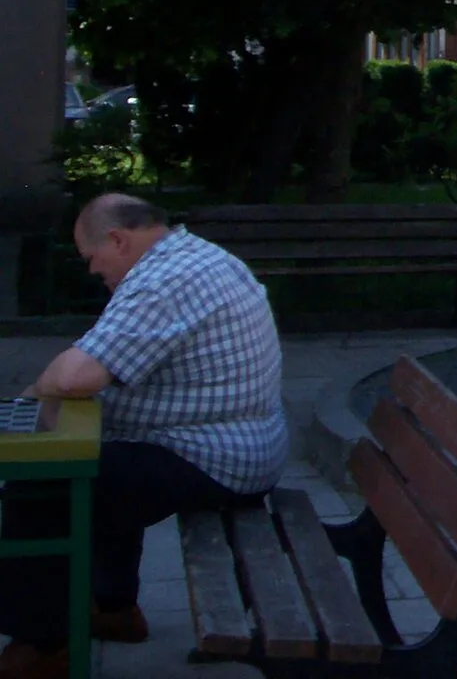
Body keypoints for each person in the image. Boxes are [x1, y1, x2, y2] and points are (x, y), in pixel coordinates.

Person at [2, 195, 286, 679]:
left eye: (91, 258)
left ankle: (43, 646)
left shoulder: (164, 281)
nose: (93, 272)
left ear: (117, 240)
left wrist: (33, 395)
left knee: (44, 485)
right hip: (238, 447)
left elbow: (77, 376)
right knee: (108, 462)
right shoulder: (188, 258)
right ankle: (114, 610)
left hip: (219, 458)